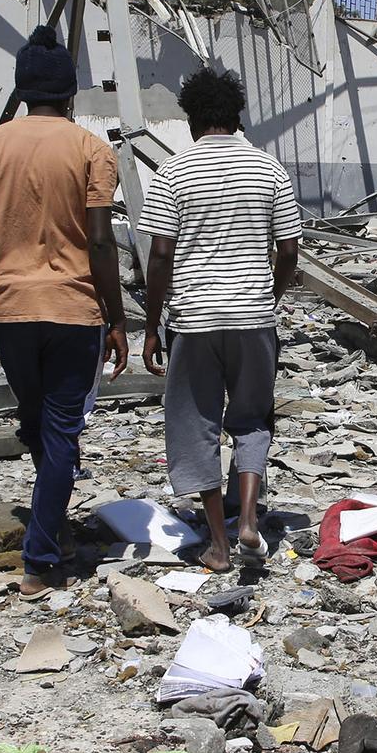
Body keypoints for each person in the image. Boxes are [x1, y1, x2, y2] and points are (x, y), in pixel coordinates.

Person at [0, 25, 129, 598]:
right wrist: (118, 315)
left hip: (12, 309)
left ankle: (50, 525)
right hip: (73, 310)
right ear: (70, 93)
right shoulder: (90, 149)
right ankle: (40, 556)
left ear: (22, 89)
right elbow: (101, 240)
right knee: (58, 430)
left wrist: (3, 277)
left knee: (36, 423)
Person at [139, 68, 301, 573]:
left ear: (191, 118)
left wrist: (151, 322)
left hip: (194, 319)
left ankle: (219, 544)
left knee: (196, 425)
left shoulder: (172, 172)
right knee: (253, 418)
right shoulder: (269, 169)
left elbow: (160, 253)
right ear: (237, 116)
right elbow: (290, 248)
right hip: (254, 317)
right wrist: (269, 293)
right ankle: (249, 519)